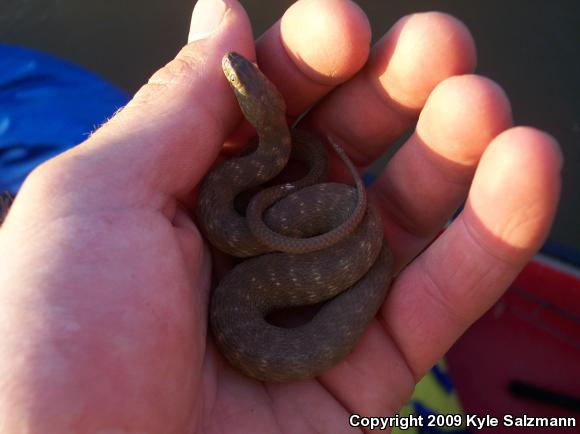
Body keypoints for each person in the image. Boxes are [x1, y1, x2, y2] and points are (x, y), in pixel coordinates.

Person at [0, 0, 562, 432]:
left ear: (257, 100)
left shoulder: (267, 178)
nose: (237, 73)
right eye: (241, 82)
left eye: (246, 80)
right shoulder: (251, 187)